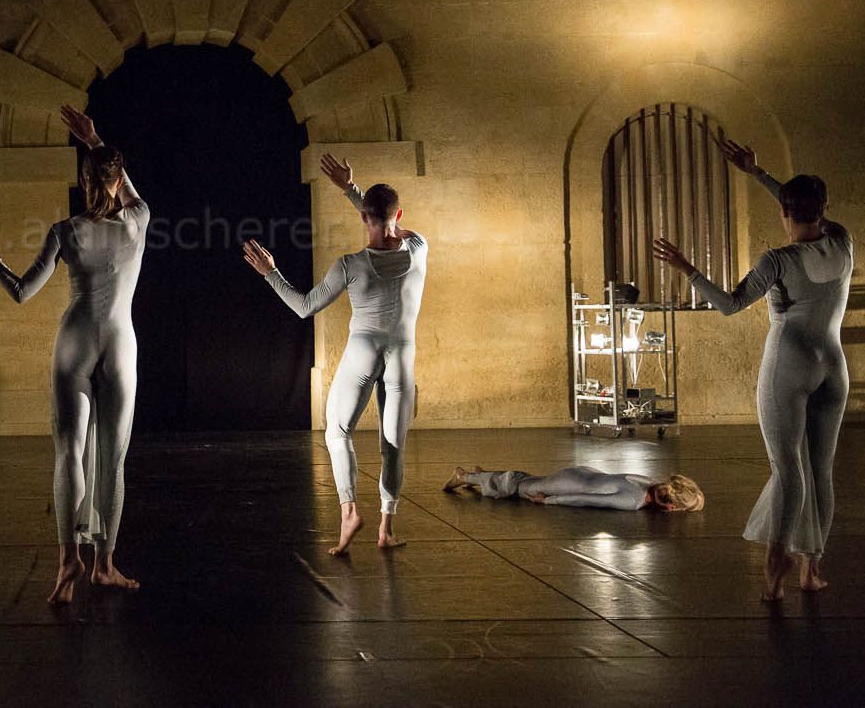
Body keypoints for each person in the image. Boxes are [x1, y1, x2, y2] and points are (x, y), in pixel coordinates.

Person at [0, 106, 148, 603]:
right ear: (117, 181)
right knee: (113, 462)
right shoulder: (138, 220)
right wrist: (95, 139)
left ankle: (69, 561)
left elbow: (21, 291)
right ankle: (104, 565)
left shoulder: (65, 231)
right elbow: (124, 186)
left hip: (75, 342)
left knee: (69, 453)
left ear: (82, 182)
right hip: (120, 344)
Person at [654, 139, 852, 601]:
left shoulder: (777, 260)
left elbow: (729, 305)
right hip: (833, 369)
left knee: (788, 473)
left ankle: (774, 579)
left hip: (790, 368)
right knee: (821, 472)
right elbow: (801, 203)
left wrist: (688, 269)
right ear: (823, 209)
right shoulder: (843, 241)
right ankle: (811, 572)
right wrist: (758, 174)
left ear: (785, 212)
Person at [243, 152, 427, 555]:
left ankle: (349, 512)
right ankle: (386, 528)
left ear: (364, 218)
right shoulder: (418, 248)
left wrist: (271, 273)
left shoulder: (350, 265)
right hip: (402, 358)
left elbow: (304, 307)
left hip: (363, 353)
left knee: (337, 432)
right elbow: (387, 220)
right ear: (399, 215)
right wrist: (351, 189)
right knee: (392, 447)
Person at [443, 465, 705, 511]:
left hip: (582, 473)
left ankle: (483, 476)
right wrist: (549, 501)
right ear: (671, 506)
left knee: (528, 480)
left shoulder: (646, 480)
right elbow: (585, 499)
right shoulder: (632, 501)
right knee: (520, 487)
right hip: (568, 484)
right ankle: (465, 477)